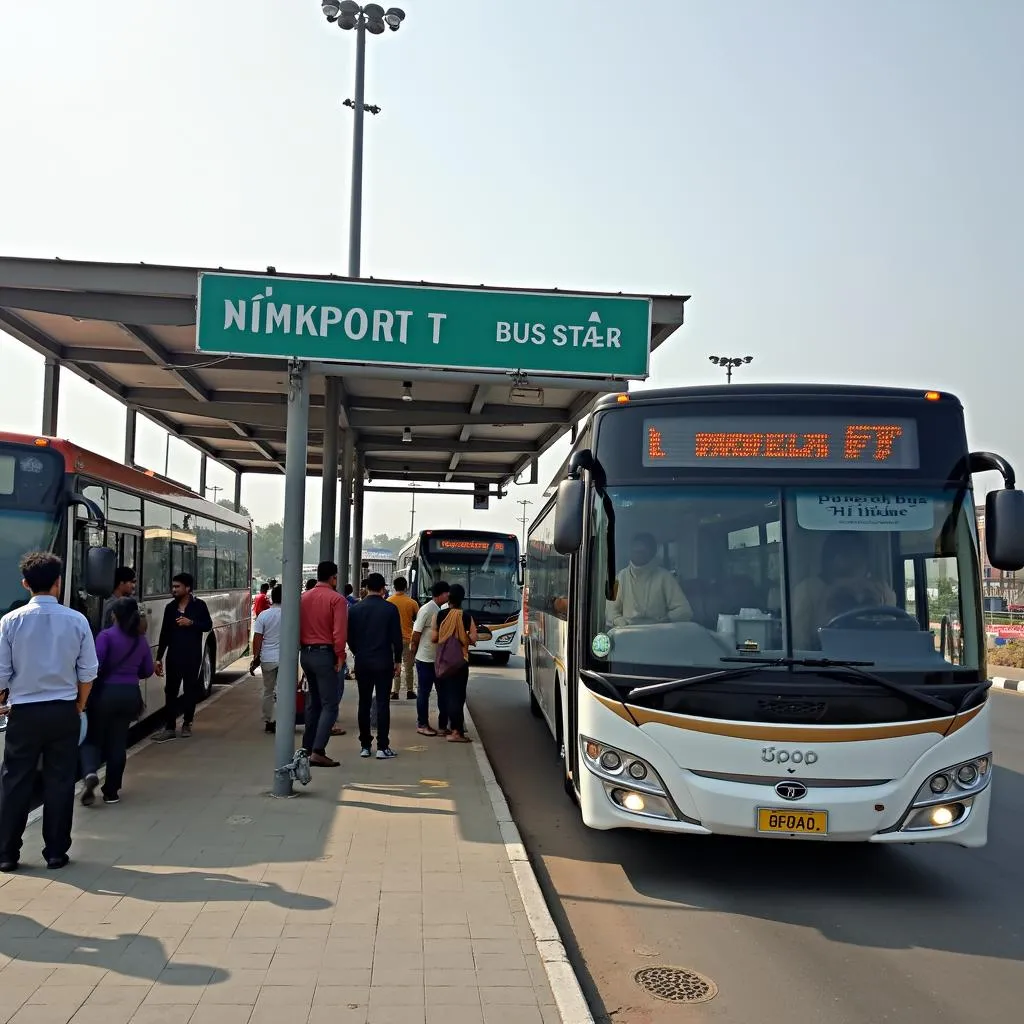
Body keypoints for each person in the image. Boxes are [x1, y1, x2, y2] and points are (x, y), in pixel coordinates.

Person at [0, 552, 97, 871]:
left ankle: (7, 854)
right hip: (63, 711)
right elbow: (88, 672)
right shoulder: (77, 620)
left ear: (25, 584)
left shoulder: (10, 622)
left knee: (15, 782)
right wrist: (79, 705)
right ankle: (55, 852)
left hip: (23, 713)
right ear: (58, 583)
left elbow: (1, 675)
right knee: (59, 780)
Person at [81, 596, 152, 807]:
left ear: (113, 615)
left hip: (105, 695)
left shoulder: (105, 637)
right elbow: (147, 670)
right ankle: (111, 792)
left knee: (92, 738)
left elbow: (94, 667)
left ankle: (90, 773)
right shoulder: (141, 640)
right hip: (130, 695)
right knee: (117, 743)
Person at [792, 532, 897, 649]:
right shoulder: (808, 589)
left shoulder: (880, 589)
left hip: (872, 655)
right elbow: (799, 642)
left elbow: (891, 632)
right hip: (823, 658)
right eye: (846, 554)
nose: (851, 561)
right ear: (830, 558)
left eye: (858, 554)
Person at [348, 572, 403, 759]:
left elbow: (350, 639)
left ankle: (364, 746)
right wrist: (398, 661)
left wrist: (358, 653)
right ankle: (382, 747)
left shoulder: (355, 610)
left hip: (363, 661)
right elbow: (397, 638)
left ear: (366, 588)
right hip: (384, 662)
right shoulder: (390, 609)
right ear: (382, 589)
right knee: (382, 703)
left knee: (363, 703)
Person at [152, 573, 212, 741]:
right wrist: (159, 658)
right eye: (173, 587)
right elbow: (164, 634)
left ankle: (187, 723)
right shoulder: (170, 608)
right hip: (174, 656)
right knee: (170, 690)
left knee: (190, 690)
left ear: (188, 588)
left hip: (192, 656)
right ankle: (170, 727)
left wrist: (191, 623)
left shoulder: (199, 606)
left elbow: (208, 625)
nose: (174, 590)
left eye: (178, 587)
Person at [299, 561, 347, 767]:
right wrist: (340, 656)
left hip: (306, 654)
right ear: (333, 578)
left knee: (314, 703)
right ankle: (318, 750)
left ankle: (306, 748)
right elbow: (339, 632)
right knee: (330, 705)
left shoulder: (303, 598)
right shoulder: (337, 600)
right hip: (325, 654)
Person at [606, 532, 692, 627]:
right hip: (628, 635)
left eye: (641, 551)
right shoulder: (618, 578)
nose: (637, 554)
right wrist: (621, 623)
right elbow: (610, 611)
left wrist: (665, 620)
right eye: (635, 551)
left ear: (652, 552)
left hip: (659, 634)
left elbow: (684, 610)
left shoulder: (665, 577)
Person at [431, 583, 477, 744]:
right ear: (462, 599)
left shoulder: (439, 615)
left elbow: (433, 638)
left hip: (443, 661)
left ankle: (444, 728)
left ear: (449, 598)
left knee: (445, 695)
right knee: (458, 696)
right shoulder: (466, 616)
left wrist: (446, 635)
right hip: (461, 662)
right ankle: (457, 731)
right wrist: (461, 636)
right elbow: (473, 638)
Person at [411, 580, 449, 737]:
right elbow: (416, 633)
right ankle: (422, 724)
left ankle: (442, 725)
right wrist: (414, 654)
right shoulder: (427, 609)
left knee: (442, 693)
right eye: (447, 593)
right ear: (441, 594)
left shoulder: (438, 608)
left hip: (437, 659)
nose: (448, 596)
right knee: (424, 693)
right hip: (426, 659)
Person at [251, 584, 283, 734]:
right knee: (283, 691)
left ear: (272, 598)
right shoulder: (291, 614)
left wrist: (256, 658)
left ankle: (268, 720)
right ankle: (280, 719)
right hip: (286, 659)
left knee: (268, 690)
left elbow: (257, 638)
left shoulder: (264, 615)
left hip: (268, 658)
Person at [388, 577, 419, 701]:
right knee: (408, 666)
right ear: (406, 587)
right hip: (408, 638)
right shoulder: (412, 603)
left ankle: (394, 692)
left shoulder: (389, 601)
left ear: (394, 587)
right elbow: (418, 621)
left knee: (395, 665)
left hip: (392, 639)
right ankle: (410, 691)